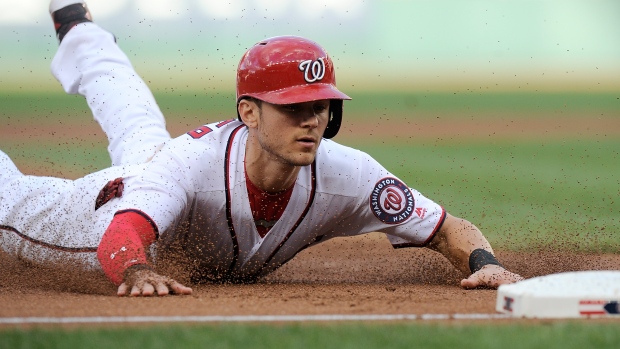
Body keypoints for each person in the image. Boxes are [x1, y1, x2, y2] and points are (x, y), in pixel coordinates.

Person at [0, 0, 523, 297]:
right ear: (248, 112)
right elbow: (124, 233)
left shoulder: (348, 174)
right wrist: (137, 272)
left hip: (166, 171)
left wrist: (485, 259)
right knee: (8, 201)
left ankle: (76, 28)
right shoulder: (189, 166)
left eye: (319, 105)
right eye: (292, 108)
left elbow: (448, 227)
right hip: (116, 204)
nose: (312, 120)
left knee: (135, 119)